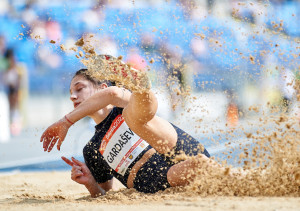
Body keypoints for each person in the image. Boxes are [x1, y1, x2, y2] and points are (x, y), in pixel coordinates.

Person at [40, 55, 238, 197]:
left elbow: (114, 95)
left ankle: (140, 87)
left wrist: (65, 121)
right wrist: (90, 183)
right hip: (152, 178)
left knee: (132, 114)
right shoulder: (91, 149)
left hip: (172, 148)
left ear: (102, 88)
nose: (72, 96)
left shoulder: (119, 105)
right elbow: (106, 195)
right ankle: (246, 181)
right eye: (70, 92)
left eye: (79, 89)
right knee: (200, 164)